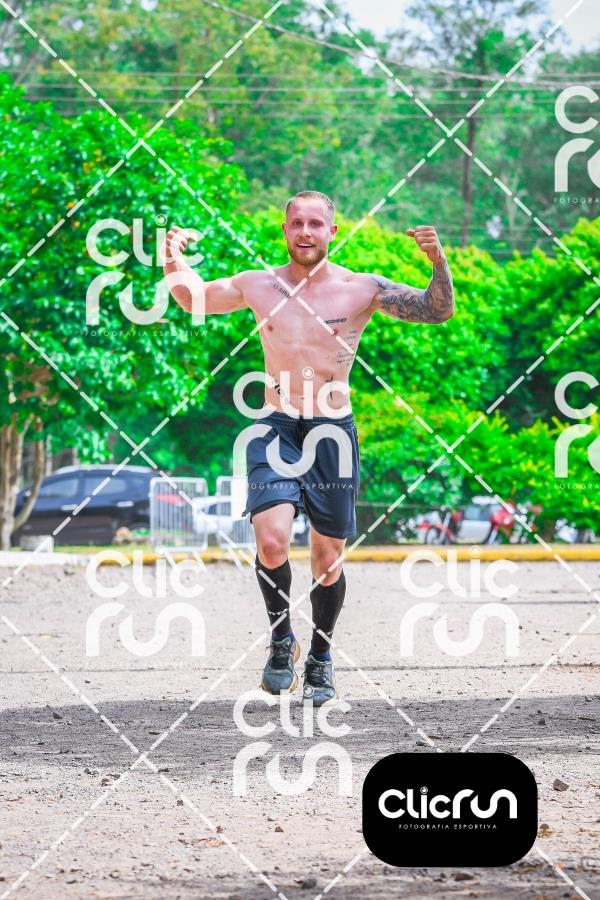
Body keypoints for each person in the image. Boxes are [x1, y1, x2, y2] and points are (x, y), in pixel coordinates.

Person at [163, 190, 454, 705]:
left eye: (315, 224)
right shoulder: (259, 284)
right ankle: (282, 641)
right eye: (296, 223)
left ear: (331, 232)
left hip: (332, 433)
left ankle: (320, 655)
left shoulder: (361, 288)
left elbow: (437, 311)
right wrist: (171, 256)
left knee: (327, 561)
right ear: (285, 230)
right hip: (275, 427)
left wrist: (438, 262)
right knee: (271, 541)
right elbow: (193, 298)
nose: (305, 232)